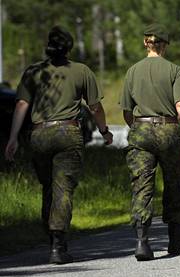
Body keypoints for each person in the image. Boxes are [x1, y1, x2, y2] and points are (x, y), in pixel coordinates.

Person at [4, 26, 113, 264]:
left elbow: (22, 105)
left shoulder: (33, 71)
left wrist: (12, 138)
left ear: (49, 46)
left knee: (48, 188)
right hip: (68, 133)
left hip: (39, 134)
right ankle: (58, 243)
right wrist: (104, 131)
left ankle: (52, 236)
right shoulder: (81, 71)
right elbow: (95, 107)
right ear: (70, 47)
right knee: (63, 188)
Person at [120, 23, 180, 261]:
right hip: (169, 130)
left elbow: (126, 110)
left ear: (146, 42)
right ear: (165, 44)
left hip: (141, 128)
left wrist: (138, 127)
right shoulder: (174, 70)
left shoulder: (132, 71)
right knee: (173, 182)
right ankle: (175, 238)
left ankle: (142, 243)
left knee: (141, 186)